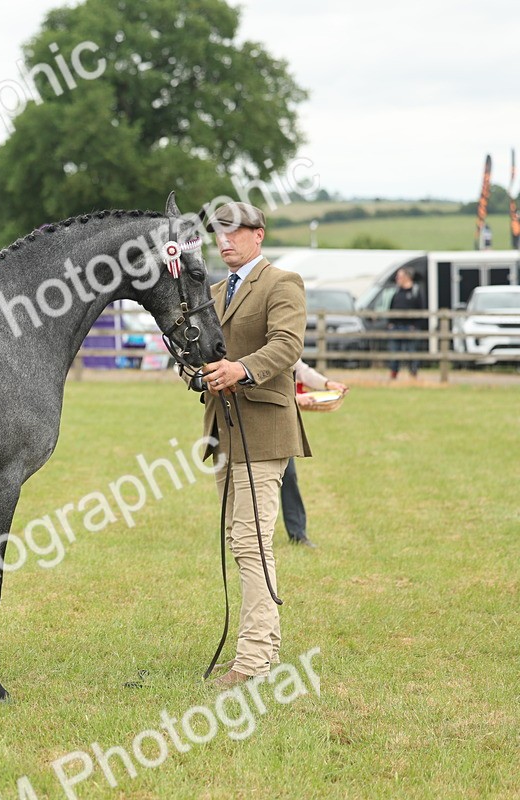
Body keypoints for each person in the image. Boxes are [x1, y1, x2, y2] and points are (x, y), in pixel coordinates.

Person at [197, 201, 310, 690]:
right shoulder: (215, 291)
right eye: (218, 234)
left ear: (258, 235)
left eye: (234, 233)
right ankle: (257, 649)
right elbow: (206, 353)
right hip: (223, 430)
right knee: (242, 542)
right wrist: (196, 371)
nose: (224, 242)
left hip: (264, 429)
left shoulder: (282, 283)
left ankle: (256, 661)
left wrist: (240, 369)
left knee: (252, 543)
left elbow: (287, 345)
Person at [281, 360, 348, 548]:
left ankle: (298, 534)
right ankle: (246, 534)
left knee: (289, 475)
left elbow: (299, 368)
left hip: (281, 422)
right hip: (257, 418)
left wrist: (327, 384)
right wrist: (294, 397)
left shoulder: (285, 335)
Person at [387, 268, 426, 379]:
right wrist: (391, 323)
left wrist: (416, 325)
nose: (397, 279)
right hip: (396, 327)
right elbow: (391, 308)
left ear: (407, 277)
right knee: (394, 353)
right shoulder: (397, 292)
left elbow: (421, 310)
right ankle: (393, 375)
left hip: (410, 327)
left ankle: (413, 374)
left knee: (411, 353)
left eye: (399, 276)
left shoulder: (415, 292)